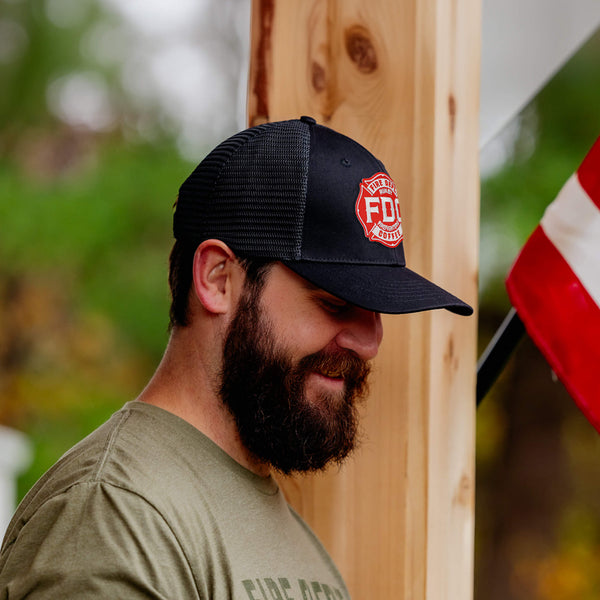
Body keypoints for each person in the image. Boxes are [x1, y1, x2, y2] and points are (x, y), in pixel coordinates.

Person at [0, 116, 472, 599]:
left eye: (375, 310)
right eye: (333, 302)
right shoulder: (114, 516)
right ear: (218, 278)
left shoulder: (295, 541)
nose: (369, 342)